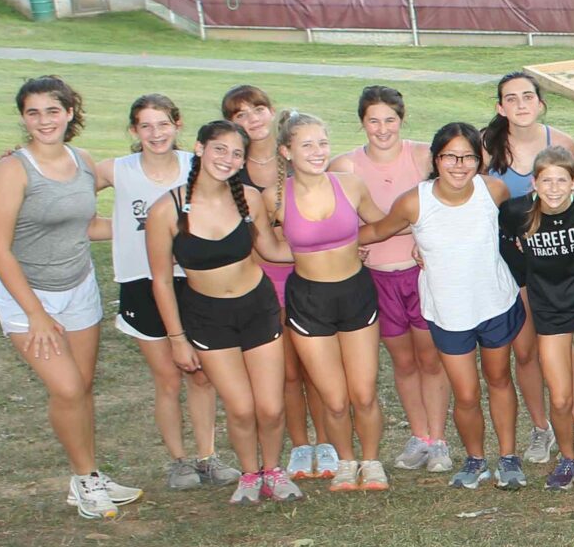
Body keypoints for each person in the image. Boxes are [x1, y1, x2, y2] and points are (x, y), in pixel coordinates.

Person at [0, 77, 141, 520]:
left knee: (82, 388)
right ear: (23, 118)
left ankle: (85, 478)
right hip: (25, 295)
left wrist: (152, 227)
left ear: (70, 113)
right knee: (67, 387)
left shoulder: (83, 162)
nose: (43, 121)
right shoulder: (12, 170)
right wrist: (34, 314)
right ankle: (87, 478)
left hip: (77, 287)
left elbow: (86, 226)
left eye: (52, 111)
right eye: (33, 113)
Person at [353, 122, 526, 489]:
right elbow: (379, 230)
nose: (459, 165)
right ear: (437, 158)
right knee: (465, 393)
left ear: (479, 161)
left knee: (499, 379)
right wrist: (338, 245)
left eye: (468, 157)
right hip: (448, 313)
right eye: (451, 156)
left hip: (494, 303)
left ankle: (509, 458)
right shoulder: (415, 201)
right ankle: (475, 458)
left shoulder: (492, 190)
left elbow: (518, 225)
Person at [143, 120, 295, 505]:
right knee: (241, 409)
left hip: (258, 308)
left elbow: (272, 250)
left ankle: (273, 471)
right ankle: (249, 474)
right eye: (220, 149)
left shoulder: (249, 197)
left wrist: (329, 253)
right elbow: (161, 281)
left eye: (237, 153)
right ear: (199, 149)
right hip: (207, 317)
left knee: (271, 406)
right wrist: (177, 340)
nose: (228, 159)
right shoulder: (167, 209)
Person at [100, 93, 222, 489]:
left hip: (193, 280)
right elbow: (65, 184)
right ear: (134, 130)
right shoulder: (117, 169)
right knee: (168, 378)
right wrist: (115, 227)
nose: (156, 133)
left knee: (201, 374)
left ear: (178, 125)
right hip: (141, 282)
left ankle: (208, 457)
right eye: (146, 126)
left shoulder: (195, 166)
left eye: (163, 124)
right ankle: (178, 461)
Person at [274, 110, 389, 492]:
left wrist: (413, 232)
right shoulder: (273, 197)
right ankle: (345, 461)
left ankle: (371, 462)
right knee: (335, 399)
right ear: (286, 151)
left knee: (364, 392)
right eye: (306, 144)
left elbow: (380, 223)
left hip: (355, 293)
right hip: (308, 300)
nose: (318, 151)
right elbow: (264, 245)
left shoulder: (349, 185)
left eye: (322, 142)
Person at [335, 87, 446, 473]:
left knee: (430, 358)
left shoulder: (421, 156)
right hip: (378, 279)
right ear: (362, 122)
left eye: (390, 120)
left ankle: (439, 439)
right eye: (373, 121)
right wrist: (351, 244)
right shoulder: (345, 166)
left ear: (402, 119)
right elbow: (333, 218)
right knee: (403, 362)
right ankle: (419, 436)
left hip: (421, 275)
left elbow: (448, 200)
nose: (382, 129)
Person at [226, 84, 328, 480]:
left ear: (271, 113)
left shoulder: (307, 154)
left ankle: (327, 440)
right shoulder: (232, 166)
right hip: (262, 276)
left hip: (308, 271)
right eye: (240, 115)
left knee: (315, 365)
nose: (251, 119)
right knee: (285, 369)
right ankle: (300, 445)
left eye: (258, 109)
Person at [500, 145, 574, 490]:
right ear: (533, 183)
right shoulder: (515, 212)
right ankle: (568, 458)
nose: (553, 188)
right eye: (545, 181)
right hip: (549, 306)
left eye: (561, 181)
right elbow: (503, 242)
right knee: (562, 395)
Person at [483, 69, 574, 466]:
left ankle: (572, 421)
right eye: (511, 98)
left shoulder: (563, 143)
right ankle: (542, 427)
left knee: (564, 348)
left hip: (559, 259)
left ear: (540, 103)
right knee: (526, 350)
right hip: (511, 261)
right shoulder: (486, 148)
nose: (520, 105)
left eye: (528, 97)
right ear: (500, 107)